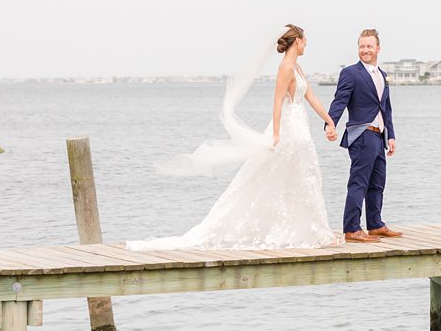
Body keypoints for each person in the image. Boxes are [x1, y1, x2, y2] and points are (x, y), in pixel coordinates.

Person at [128, 24, 341, 251]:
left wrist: (329, 120)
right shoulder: (286, 68)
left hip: (301, 126)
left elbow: (311, 96)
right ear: (297, 40)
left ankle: (313, 231)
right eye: (305, 39)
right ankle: (313, 233)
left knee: (305, 176)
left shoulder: (298, 68)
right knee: (289, 176)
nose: (307, 43)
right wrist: (277, 133)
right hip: (290, 128)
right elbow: (278, 102)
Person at [328, 28, 403, 243]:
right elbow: (339, 101)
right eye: (362, 46)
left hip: (379, 136)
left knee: (377, 182)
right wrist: (330, 124)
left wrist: (390, 136)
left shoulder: (382, 75)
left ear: (378, 48)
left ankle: (375, 225)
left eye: (369, 46)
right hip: (361, 135)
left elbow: (386, 108)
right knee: (358, 183)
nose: (365, 50)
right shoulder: (350, 73)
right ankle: (351, 228)